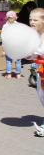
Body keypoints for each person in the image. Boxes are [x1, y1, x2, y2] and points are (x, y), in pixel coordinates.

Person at [27, 8, 44, 136]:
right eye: (30, 19)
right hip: (41, 71)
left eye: (35, 20)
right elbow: (32, 55)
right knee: (41, 96)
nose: (32, 22)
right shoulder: (34, 35)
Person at [2, 11, 23, 79]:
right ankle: (18, 74)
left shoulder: (5, 26)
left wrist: (4, 49)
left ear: (7, 18)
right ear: (15, 18)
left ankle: (9, 74)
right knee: (18, 61)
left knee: (9, 61)